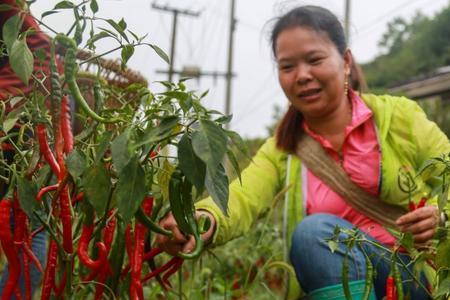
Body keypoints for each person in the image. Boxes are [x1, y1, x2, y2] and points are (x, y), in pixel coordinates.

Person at [156, 5, 448, 300]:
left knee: (314, 233)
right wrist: (203, 218)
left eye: (314, 60)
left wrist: (442, 216)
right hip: (340, 281)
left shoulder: (399, 118)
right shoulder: (283, 149)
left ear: (345, 61)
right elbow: (243, 197)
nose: (302, 75)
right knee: (314, 236)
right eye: (287, 66)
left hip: (414, 275)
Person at [0, 0, 58, 297]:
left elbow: (43, 57)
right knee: (27, 229)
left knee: (27, 229)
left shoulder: (11, 12)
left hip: (18, 126)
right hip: (22, 122)